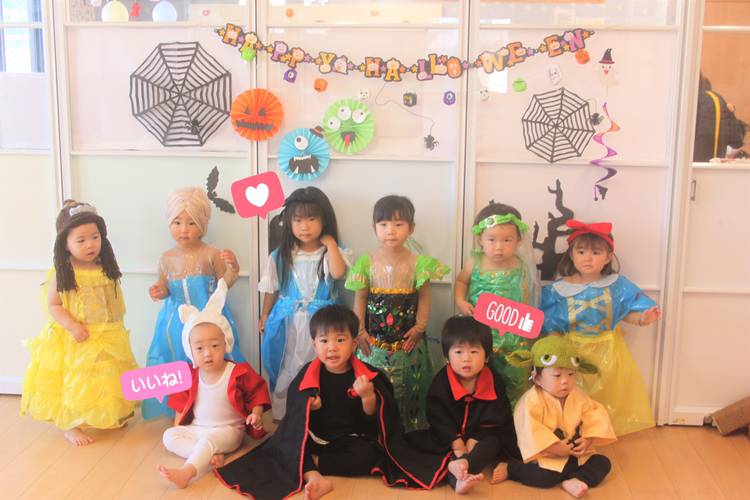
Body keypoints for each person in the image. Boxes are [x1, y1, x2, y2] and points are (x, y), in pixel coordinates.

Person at [215, 305, 449, 499]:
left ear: (353, 344)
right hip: (314, 437)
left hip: (348, 440)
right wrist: (309, 407)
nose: (332, 348)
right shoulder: (308, 374)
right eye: (324, 340)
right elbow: (295, 418)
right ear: (315, 345)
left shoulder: (366, 376)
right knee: (285, 443)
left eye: (340, 340)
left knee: (368, 455)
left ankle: (312, 466)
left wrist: (367, 396)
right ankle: (314, 476)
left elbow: (375, 420)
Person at [20, 200, 138, 446]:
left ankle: (109, 414)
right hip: (77, 335)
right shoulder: (65, 272)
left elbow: (112, 300)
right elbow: (54, 305)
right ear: (65, 244)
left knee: (106, 376)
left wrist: (115, 324)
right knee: (76, 380)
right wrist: (73, 326)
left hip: (106, 333)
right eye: (81, 240)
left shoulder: (104, 267)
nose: (90, 245)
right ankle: (71, 423)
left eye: (95, 237)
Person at [540, 219, 660, 435]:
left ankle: (600, 430)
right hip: (574, 350)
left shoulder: (616, 285)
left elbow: (625, 313)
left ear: (607, 257)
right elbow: (552, 323)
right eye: (581, 252)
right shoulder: (559, 290)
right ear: (571, 254)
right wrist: (555, 349)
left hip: (609, 349)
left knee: (609, 391)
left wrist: (643, 318)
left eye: (596, 252)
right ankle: (575, 428)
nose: (588, 258)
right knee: (574, 390)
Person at [346, 195, 449, 431]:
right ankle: (374, 431)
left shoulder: (419, 263)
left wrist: (420, 326)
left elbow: (425, 296)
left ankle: (409, 432)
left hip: (409, 342)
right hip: (373, 344)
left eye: (398, 224)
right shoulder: (366, 263)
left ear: (411, 228)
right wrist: (359, 330)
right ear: (374, 228)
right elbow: (360, 298)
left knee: (410, 386)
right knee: (375, 388)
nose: (390, 231)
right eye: (383, 224)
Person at [157, 279, 270, 489]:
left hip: (228, 430)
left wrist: (256, 414)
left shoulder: (237, 372)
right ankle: (209, 455)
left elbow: (257, 394)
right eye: (199, 348)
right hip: (198, 428)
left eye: (215, 346)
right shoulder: (190, 375)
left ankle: (187, 472)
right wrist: (179, 427)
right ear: (190, 351)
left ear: (226, 344)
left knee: (208, 442)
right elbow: (180, 407)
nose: (208, 353)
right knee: (169, 436)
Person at [144, 187, 245, 420]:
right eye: (177, 222)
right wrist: (159, 291)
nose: (183, 229)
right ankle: (180, 409)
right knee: (177, 363)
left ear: (202, 224)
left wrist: (233, 268)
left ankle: (215, 407)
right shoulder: (166, 258)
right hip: (175, 321)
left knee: (211, 361)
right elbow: (164, 287)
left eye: (191, 223)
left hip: (209, 317)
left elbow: (225, 283)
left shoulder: (211, 254)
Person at [259, 187, 350, 420]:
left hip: (322, 323)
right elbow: (272, 288)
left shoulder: (330, 253)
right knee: (288, 361)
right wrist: (265, 314)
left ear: (324, 220)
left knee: (320, 361)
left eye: (311, 219)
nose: (305, 227)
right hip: (289, 319)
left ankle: (319, 414)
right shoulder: (280, 255)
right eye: (298, 220)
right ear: (289, 222)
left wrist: (331, 244)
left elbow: (338, 273)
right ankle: (286, 413)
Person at [494, 336, 616, 498]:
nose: (565, 381)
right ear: (537, 378)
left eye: (571, 374)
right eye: (557, 376)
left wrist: (588, 439)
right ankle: (511, 469)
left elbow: (594, 415)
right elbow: (530, 430)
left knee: (602, 462)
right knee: (546, 478)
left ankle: (576, 479)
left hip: (576, 454)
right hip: (547, 455)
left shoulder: (578, 395)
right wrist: (555, 448)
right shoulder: (531, 401)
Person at [409, 316, 520, 494]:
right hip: (448, 437)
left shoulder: (493, 380)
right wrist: (455, 441)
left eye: (474, 352)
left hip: (480, 439)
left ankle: (462, 468)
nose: (466, 359)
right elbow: (436, 414)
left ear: (486, 356)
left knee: (492, 444)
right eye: (459, 352)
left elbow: (498, 414)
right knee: (414, 441)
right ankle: (457, 471)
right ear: (447, 357)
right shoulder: (441, 382)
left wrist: (476, 438)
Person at [454, 201, 540, 407]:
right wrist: (460, 301)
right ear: (480, 239)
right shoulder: (474, 262)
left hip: (512, 338)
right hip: (479, 334)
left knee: (513, 380)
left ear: (518, 240)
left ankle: (513, 416)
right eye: (492, 240)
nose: (499, 247)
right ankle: (478, 414)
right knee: (479, 378)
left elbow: (526, 297)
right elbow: (461, 282)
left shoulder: (521, 266)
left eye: (507, 240)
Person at [694, 73, 747, 162]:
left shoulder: (695, 100)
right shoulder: (717, 101)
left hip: (694, 161)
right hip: (713, 163)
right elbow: (737, 142)